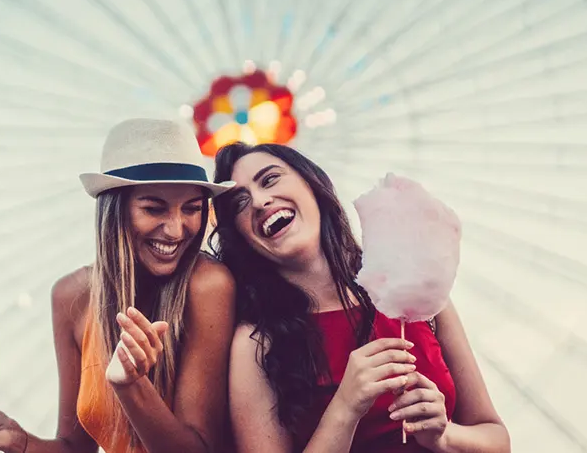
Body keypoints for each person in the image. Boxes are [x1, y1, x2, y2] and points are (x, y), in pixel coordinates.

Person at [0, 118, 238, 453]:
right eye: (154, 208)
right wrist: (16, 439)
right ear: (114, 209)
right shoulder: (70, 297)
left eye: (192, 209)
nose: (177, 230)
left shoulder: (208, 284)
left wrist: (133, 387)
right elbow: (76, 447)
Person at [209, 142, 508, 453]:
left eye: (270, 179)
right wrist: (346, 406)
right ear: (241, 235)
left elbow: (497, 439)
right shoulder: (255, 343)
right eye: (240, 203)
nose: (258, 201)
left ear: (312, 185)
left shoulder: (411, 283)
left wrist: (444, 436)